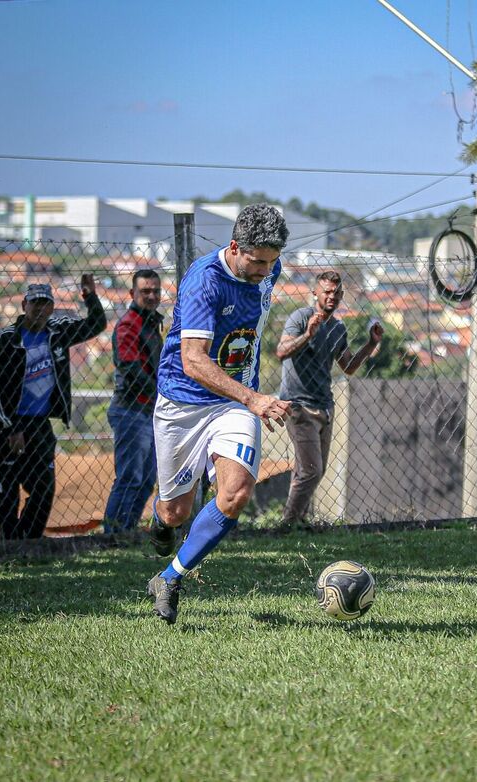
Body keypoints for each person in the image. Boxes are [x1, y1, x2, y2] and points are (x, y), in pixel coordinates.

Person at [146, 204, 291, 625]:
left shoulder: (269, 269)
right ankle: (161, 519)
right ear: (234, 247)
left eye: (272, 260)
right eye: (258, 261)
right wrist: (254, 399)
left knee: (236, 493)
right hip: (182, 404)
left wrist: (248, 400)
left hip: (233, 405)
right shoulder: (204, 282)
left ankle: (170, 577)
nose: (266, 270)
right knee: (176, 512)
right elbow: (193, 361)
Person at [0, 277, 107, 540]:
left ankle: (28, 540)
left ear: (52, 307)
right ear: (24, 305)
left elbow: (97, 324)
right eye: (34, 304)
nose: (40, 309)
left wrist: (90, 296)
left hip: (40, 424)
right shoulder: (8, 339)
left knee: (44, 486)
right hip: (9, 424)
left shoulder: (57, 332)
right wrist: (11, 428)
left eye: (45, 304)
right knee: (7, 489)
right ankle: (8, 544)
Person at [275, 270, 383, 528]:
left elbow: (347, 366)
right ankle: (287, 526)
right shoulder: (300, 318)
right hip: (298, 406)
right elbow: (281, 351)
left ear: (342, 295)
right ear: (315, 293)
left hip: (324, 406)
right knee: (311, 471)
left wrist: (370, 344)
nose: (331, 296)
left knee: (311, 470)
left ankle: (297, 521)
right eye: (326, 291)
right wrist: (307, 336)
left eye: (336, 292)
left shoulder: (337, 328)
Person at [103, 269, 163, 533]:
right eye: (145, 291)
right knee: (130, 477)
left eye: (155, 291)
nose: (151, 296)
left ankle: (125, 531)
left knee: (147, 478)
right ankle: (113, 534)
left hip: (147, 409)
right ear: (132, 294)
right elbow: (130, 368)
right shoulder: (130, 324)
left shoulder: (150, 322)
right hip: (132, 409)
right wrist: (160, 393)